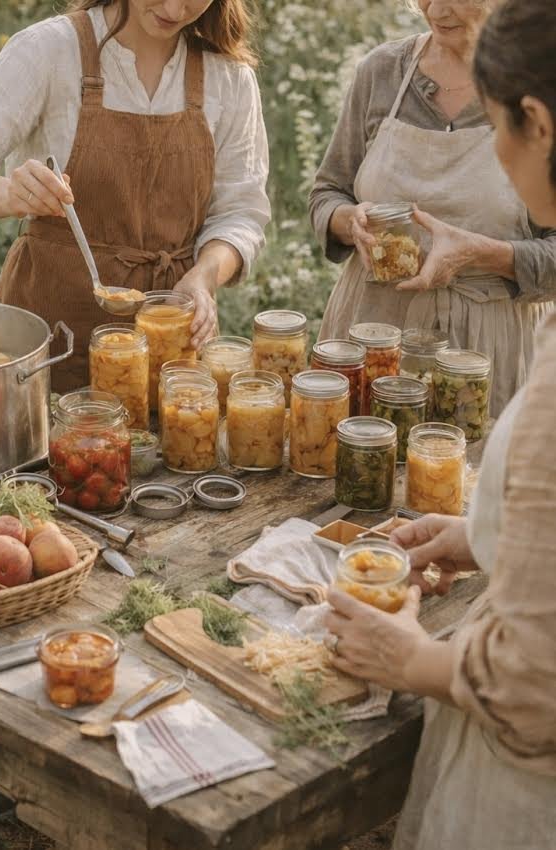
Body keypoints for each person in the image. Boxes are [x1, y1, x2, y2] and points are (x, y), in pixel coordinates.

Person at [325, 3, 556, 847]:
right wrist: (481, 533)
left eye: (500, 125)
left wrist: (413, 661)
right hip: (377, 335)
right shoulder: (384, 72)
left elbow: (533, 683)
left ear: (532, 121)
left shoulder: (545, 404)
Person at [0, 0, 270, 390]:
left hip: (172, 348)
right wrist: (9, 193)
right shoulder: (50, 50)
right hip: (50, 340)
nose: (173, 7)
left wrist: (203, 277)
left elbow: (240, 213)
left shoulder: (229, 76)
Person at [308, 0, 556, 417]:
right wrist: (349, 223)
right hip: (372, 329)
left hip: (486, 351)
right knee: (360, 462)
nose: (436, 8)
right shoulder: (382, 71)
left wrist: (480, 252)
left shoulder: (541, 86)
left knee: (466, 474)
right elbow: (328, 192)